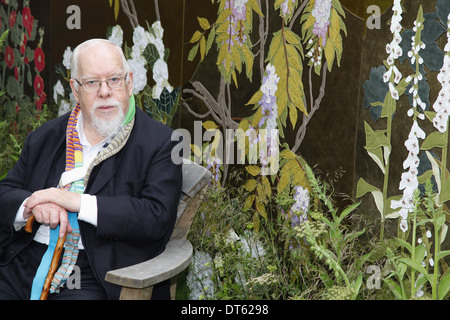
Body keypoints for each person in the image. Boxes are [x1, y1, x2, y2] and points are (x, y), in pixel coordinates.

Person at [0, 38, 182, 300]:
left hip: (96, 271)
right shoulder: (45, 137)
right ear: (75, 89)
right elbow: (6, 190)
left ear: (130, 82)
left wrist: (76, 202)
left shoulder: (162, 143)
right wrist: (32, 204)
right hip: (24, 259)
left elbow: (156, 216)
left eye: (114, 80)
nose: (105, 92)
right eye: (92, 82)